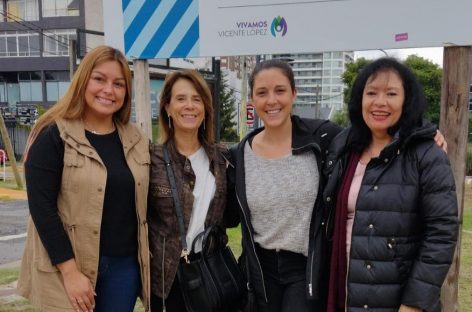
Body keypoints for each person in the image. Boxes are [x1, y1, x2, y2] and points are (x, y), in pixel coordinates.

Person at [17, 45, 151, 312]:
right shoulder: (53, 133)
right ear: (83, 80)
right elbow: (42, 209)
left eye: (119, 84)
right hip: (68, 266)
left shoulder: (136, 139)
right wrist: (70, 271)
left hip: (123, 269)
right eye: (99, 79)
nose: (108, 90)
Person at [323, 57, 458, 312]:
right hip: (344, 292)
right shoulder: (343, 149)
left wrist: (415, 303)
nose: (380, 102)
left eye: (391, 93)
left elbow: (441, 233)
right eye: (371, 92)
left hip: (398, 299)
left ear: (407, 100)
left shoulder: (427, 155)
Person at [226, 59, 342, 312]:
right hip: (259, 269)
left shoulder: (322, 138)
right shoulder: (239, 155)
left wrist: (423, 133)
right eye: (262, 93)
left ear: (294, 93)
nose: (271, 101)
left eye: (280, 90)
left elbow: (372, 133)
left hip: (304, 267)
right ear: (253, 99)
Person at [148, 69, 231, 311]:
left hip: (211, 272)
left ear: (205, 108)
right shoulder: (150, 159)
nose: (189, 106)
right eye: (181, 99)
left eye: (197, 99)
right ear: (167, 107)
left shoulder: (223, 159)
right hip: (168, 280)